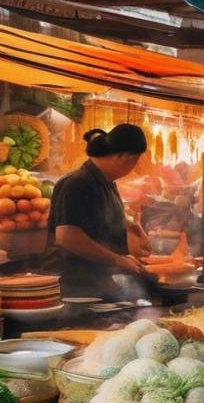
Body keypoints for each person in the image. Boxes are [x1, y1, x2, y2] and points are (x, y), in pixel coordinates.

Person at [47, 124, 152, 298]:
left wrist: (131, 227)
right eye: (134, 161)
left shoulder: (106, 182)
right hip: (75, 285)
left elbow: (96, 219)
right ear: (122, 156)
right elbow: (66, 236)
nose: (133, 167)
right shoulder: (78, 183)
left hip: (98, 282)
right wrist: (117, 259)